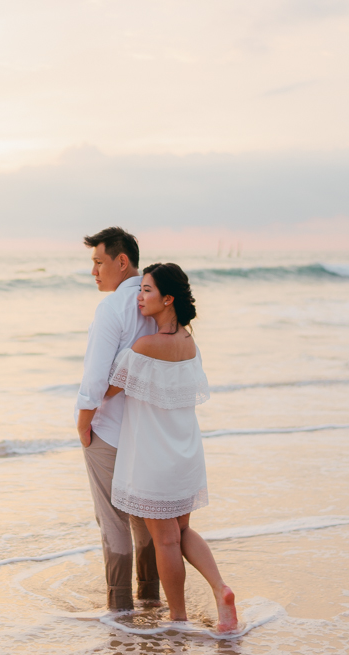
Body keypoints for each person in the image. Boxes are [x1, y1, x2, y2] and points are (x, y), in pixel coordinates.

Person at [104, 262, 238, 632]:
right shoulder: (189, 344)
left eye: (147, 290)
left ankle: (177, 619)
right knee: (180, 534)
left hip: (155, 457)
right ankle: (219, 588)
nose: (139, 297)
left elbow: (108, 389)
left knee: (165, 542)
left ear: (168, 298)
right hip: (186, 454)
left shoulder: (146, 345)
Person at [76, 227, 161, 611]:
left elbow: (96, 378)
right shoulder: (155, 304)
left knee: (112, 521)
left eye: (98, 262)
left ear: (121, 261)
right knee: (144, 519)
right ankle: (149, 597)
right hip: (147, 429)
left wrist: (83, 425)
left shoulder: (111, 309)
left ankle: (120, 609)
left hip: (109, 430)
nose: (93, 271)